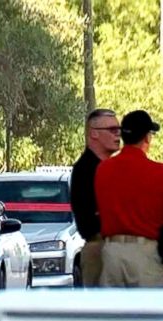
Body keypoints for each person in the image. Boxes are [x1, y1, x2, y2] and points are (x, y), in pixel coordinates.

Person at [95, 110, 163, 288]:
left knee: (115, 313)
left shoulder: (103, 169)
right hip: (146, 252)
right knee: (150, 313)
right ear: (147, 138)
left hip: (112, 252)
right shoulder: (161, 172)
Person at [70, 108, 121, 287]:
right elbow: (88, 219)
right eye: (112, 130)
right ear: (94, 134)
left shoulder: (112, 168)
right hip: (99, 245)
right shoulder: (85, 169)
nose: (118, 134)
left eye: (119, 130)